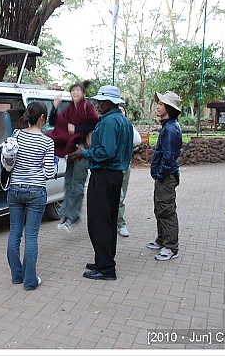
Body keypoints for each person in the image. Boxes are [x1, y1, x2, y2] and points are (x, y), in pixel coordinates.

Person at [69, 85, 134, 280]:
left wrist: (84, 153)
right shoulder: (123, 121)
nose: (97, 104)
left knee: (99, 222)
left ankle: (106, 268)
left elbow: (106, 152)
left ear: (111, 102)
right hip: (115, 175)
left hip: (104, 174)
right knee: (108, 219)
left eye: (101, 101)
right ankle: (104, 259)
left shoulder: (109, 123)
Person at [7, 101, 56, 290]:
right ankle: (29, 281)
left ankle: (17, 276)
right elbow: (49, 172)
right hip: (36, 191)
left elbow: (9, 159)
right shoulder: (47, 141)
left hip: (15, 189)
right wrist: (37, 174)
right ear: (42, 117)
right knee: (31, 236)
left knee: (14, 234)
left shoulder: (16, 135)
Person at [46, 80, 98, 233]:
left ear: (83, 93)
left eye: (78, 91)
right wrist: (55, 107)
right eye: (73, 91)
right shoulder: (69, 108)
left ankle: (74, 217)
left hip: (82, 148)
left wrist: (77, 128)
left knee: (77, 184)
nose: (75, 93)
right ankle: (66, 215)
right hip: (71, 148)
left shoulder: (87, 106)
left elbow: (95, 123)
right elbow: (55, 123)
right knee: (68, 182)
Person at [146, 91, 183, 261]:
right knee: (160, 208)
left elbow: (168, 156)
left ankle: (171, 247)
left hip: (167, 176)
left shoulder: (170, 128)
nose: (158, 107)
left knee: (166, 210)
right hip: (164, 176)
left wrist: (160, 174)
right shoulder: (168, 126)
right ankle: (162, 240)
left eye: (161, 104)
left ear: (168, 107)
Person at [117, 105, 142, 237]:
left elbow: (137, 140)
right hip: (114, 167)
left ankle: (119, 223)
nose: (120, 112)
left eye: (122, 111)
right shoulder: (111, 125)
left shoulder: (128, 126)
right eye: (118, 110)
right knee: (118, 196)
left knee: (122, 195)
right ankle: (120, 223)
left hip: (125, 165)